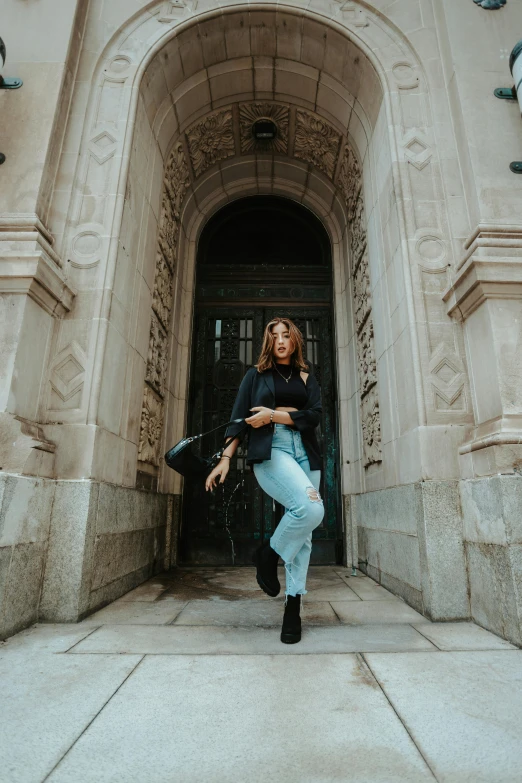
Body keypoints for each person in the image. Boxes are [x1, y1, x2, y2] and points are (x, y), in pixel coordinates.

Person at [205, 317, 324, 644]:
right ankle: (269, 554)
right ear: (268, 343)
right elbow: (238, 419)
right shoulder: (254, 376)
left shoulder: (305, 374)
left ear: (294, 339)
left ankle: (292, 605)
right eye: (275, 337)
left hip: (306, 452)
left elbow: (314, 415)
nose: (281, 341)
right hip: (273, 450)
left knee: (306, 533)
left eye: (286, 335)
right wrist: (226, 459)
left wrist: (273, 415)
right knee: (311, 510)